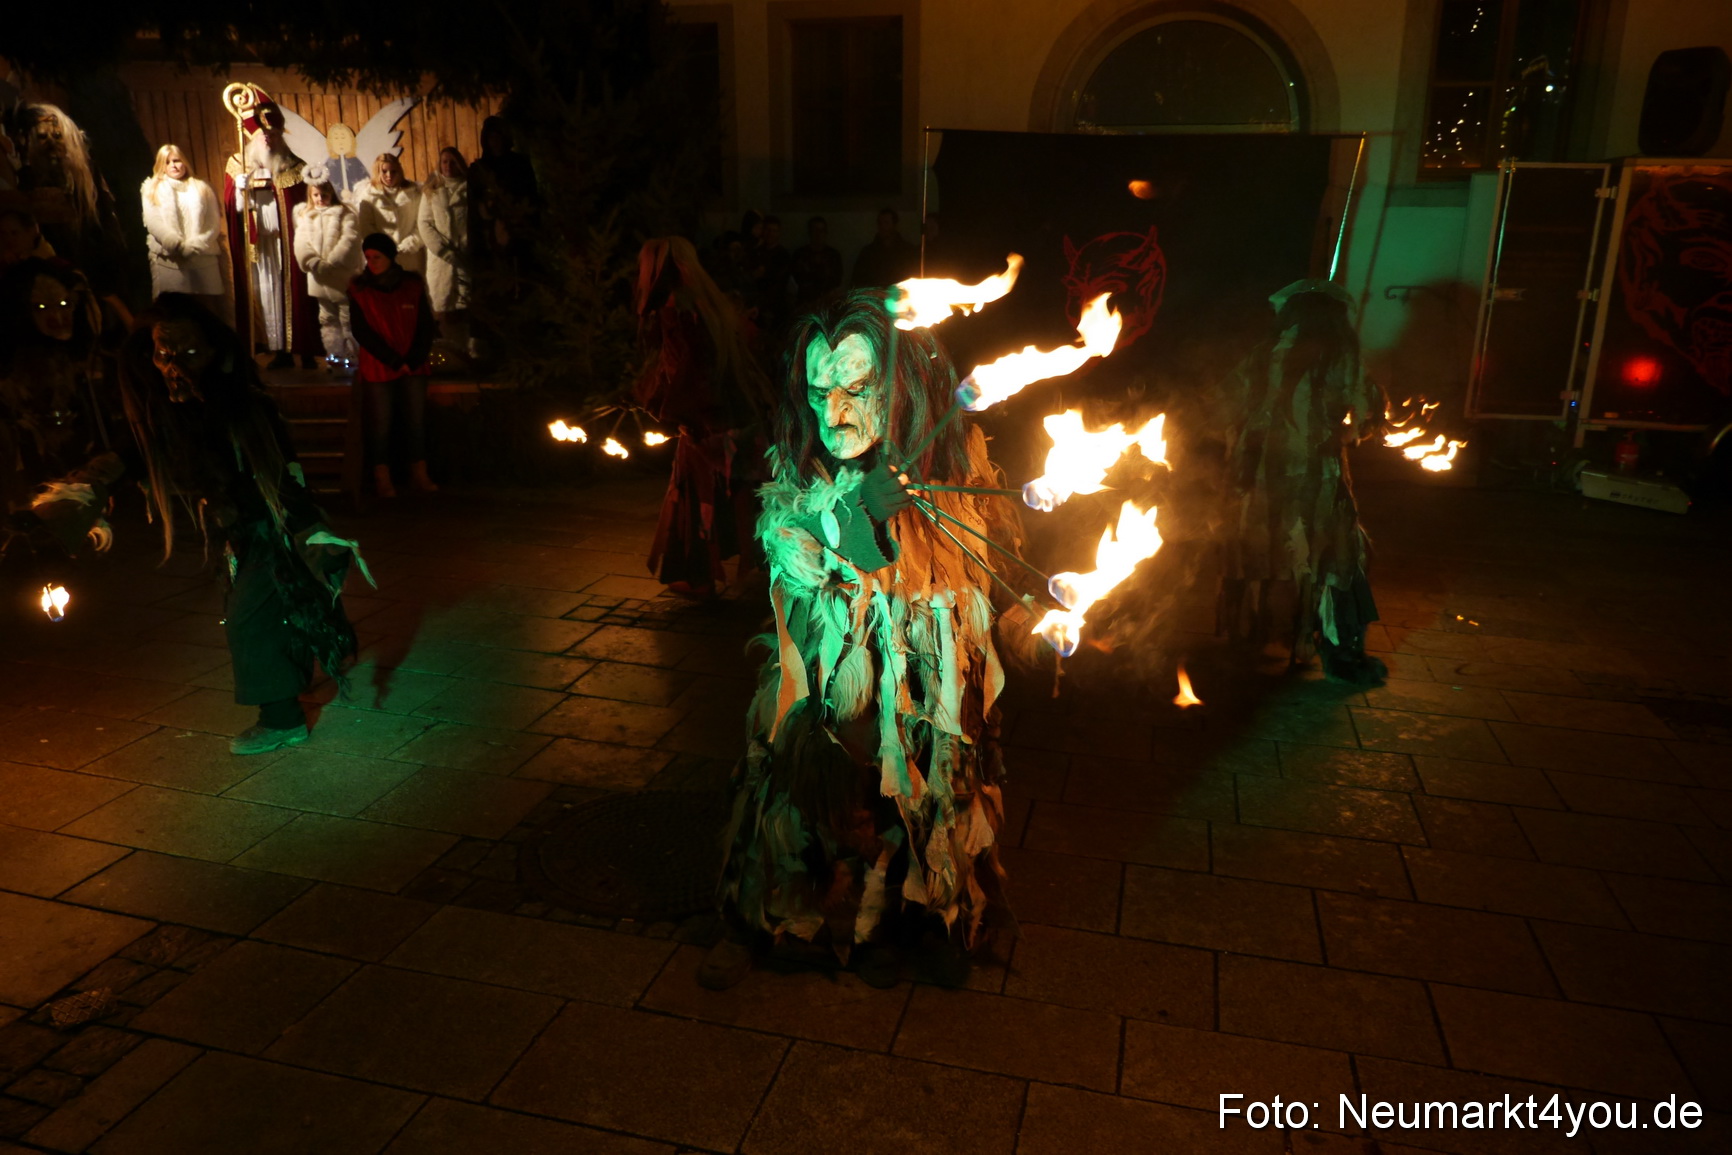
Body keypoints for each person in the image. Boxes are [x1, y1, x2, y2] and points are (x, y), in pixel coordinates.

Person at [703, 289, 1035, 991]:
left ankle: (934, 920)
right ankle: (762, 921)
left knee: (935, 787)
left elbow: (977, 565)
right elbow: (801, 552)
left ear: (903, 390)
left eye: (858, 389)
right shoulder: (802, 470)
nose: (836, 413)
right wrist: (859, 516)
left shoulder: (950, 462)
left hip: (925, 679)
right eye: (821, 391)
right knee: (801, 784)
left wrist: (1022, 621)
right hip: (833, 674)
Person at [118, 294, 365, 754]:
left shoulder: (242, 406)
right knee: (263, 612)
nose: (174, 366)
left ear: (216, 353)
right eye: (164, 355)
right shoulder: (174, 410)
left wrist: (303, 531)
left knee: (249, 619)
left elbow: (278, 474)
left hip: (272, 526)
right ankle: (286, 702)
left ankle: (282, 719)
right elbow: (142, 455)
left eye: (189, 353)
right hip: (240, 529)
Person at [1219, 279, 1388, 686]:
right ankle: (1335, 650)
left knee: (1264, 548)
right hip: (1316, 473)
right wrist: (1349, 432)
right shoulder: (1340, 353)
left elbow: (1225, 401)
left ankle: (1253, 639)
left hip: (1259, 472)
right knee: (1330, 555)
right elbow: (1370, 409)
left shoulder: (1263, 353)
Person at [632, 237, 772, 598]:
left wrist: (667, 407)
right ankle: (747, 569)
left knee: (697, 493)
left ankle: (700, 576)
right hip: (734, 414)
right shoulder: (710, 306)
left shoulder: (679, 311)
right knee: (741, 491)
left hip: (708, 420)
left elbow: (687, 368)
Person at [0, 258, 122, 564]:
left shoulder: (81, 353)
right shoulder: (11, 362)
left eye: (65, 304)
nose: (57, 316)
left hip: (73, 447)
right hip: (25, 453)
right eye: (42, 308)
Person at [222, 83, 317, 369]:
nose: (270, 141)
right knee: (267, 294)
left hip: (286, 244)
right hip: (259, 245)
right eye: (265, 136)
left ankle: (304, 348)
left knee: (295, 294)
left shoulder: (295, 167)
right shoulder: (238, 165)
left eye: (275, 135)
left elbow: (304, 205)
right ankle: (279, 350)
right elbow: (233, 210)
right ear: (253, 137)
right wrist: (240, 190)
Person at [347, 232, 437, 497]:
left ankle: (419, 473)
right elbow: (362, 331)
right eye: (368, 258)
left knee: (416, 421)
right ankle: (381, 477)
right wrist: (394, 360)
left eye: (377, 257)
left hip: (413, 364)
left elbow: (425, 325)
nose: (372, 262)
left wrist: (414, 359)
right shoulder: (360, 290)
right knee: (380, 424)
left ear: (390, 257)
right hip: (380, 365)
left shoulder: (412, 285)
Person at [140, 144, 228, 319]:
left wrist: (196, 245)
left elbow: (213, 222)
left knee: (207, 311)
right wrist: (176, 244)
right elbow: (153, 221)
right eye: (168, 162)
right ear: (161, 165)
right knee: (172, 312)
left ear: (184, 162)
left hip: (202, 256)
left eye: (177, 160)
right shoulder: (152, 188)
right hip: (170, 259)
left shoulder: (203, 187)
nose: (173, 165)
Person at [290, 165, 362, 371]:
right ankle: (334, 354)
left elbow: (350, 239)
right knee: (327, 318)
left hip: (341, 275)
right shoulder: (305, 216)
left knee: (347, 316)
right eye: (316, 195)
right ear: (310, 196)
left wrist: (332, 261)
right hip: (318, 277)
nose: (320, 199)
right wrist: (313, 262)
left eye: (324, 194)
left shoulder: (345, 214)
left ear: (332, 193)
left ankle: (352, 353)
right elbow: (301, 243)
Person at [417, 147, 471, 353]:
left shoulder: (470, 189)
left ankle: (469, 355)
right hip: (442, 262)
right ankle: (450, 356)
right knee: (445, 312)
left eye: (452, 161)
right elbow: (425, 224)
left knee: (466, 310)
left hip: (466, 258)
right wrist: (445, 251)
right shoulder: (432, 190)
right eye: (444, 162)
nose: (448, 166)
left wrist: (465, 246)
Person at [354, 152, 423, 274]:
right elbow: (366, 227)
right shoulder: (369, 195)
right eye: (384, 171)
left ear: (399, 171)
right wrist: (383, 250)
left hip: (409, 256)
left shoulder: (414, 193)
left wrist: (408, 245)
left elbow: (420, 224)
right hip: (380, 259)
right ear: (378, 172)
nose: (389, 175)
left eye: (393, 171)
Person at [850, 207, 918, 290]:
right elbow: (858, 279)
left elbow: (913, 276)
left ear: (894, 225)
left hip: (900, 297)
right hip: (874, 297)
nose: (882, 227)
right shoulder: (868, 253)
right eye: (880, 223)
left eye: (886, 223)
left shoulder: (908, 251)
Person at [791, 216, 842, 311]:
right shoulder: (800, 255)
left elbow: (836, 282)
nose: (818, 234)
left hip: (827, 306)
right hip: (805, 306)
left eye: (821, 230)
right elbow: (796, 281)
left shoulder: (833, 255)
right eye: (815, 230)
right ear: (810, 232)